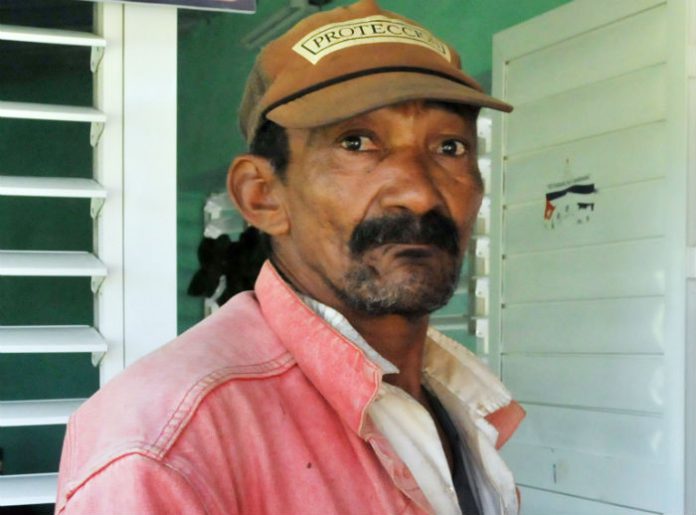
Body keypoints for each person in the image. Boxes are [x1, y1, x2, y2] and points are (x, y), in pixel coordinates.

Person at [55, 1, 525, 513]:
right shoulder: (165, 447)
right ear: (263, 196)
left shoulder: (456, 400)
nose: (419, 194)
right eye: (356, 143)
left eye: (450, 148)